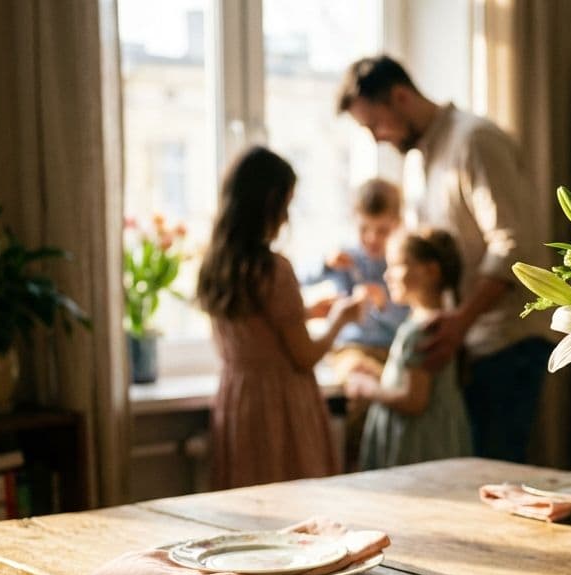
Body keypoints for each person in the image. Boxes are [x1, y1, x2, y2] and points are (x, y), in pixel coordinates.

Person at [336, 55, 551, 463]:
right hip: (462, 344)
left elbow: (515, 243)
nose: (377, 138)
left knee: (491, 480)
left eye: (374, 124)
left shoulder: (475, 142)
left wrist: (461, 321)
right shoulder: (419, 162)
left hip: (505, 342)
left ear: (400, 97)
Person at [197, 146, 365, 489]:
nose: (287, 218)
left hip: (238, 399)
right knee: (292, 506)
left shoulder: (216, 266)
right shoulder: (273, 269)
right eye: (286, 205)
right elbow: (304, 356)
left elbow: (254, 328)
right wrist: (339, 319)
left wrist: (304, 312)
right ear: (270, 204)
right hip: (279, 407)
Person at [304, 178, 409, 468]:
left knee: (399, 394)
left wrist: (383, 305)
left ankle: (390, 465)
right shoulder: (348, 257)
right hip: (352, 348)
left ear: (398, 224)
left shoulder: (401, 261)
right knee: (364, 386)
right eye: (365, 229)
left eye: (382, 231)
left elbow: (409, 318)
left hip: (391, 348)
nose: (372, 239)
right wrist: (326, 263)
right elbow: (301, 278)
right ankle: (360, 468)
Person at [350, 228, 473, 470]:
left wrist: (368, 388)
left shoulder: (423, 329)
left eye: (396, 266)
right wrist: (378, 375)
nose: (387, 276)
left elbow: (414, 400)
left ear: (431, 271)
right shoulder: (429, 322)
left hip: (418, 444)